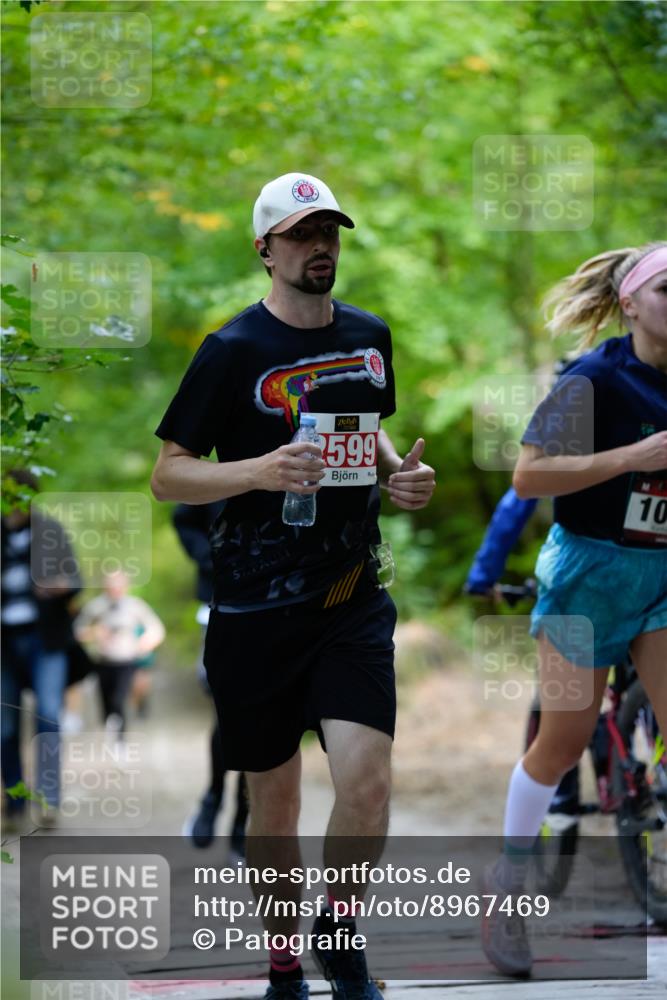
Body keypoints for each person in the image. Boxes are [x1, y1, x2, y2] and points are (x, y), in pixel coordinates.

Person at [151, 172, 436, 1000]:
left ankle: (338, 932)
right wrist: (259, 470)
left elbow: (368, 429)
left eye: (330, 232)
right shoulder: (231, 351)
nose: (321, 247)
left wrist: (399, 479)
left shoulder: (370, 336)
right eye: (302, 234)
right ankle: (283, 965)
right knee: (272, 805)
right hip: (251, 610)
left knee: (368, 782)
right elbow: (169, 477)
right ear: (264, 249)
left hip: (350, 598)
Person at [482, 242, 667, 977]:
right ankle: (507, 890)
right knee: (561, 742)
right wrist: (629, 457)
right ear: (630, 302)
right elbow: (527, 477)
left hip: (660, 576)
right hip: (585, 576)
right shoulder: (593, 378)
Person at [1, 468, 81, 827]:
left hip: (45, 637)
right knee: (4, 725)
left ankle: (48, 801)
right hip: (4, 641)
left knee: (48, 714)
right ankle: (14, 801)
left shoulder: (50, 531)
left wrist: (57, 586)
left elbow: (76, 580)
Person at [173, 500, 248, 856]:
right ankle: (213, 797)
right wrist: (209, 557)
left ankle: (242, 820)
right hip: (219, 602)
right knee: (228, 710)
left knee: (266, 720)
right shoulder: (214, 463)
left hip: (283, 604)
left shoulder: (293, 452)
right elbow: (182, 518)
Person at [74, 570, 165, 740]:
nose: (115, 588)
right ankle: (111, 730)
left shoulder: (135, 606)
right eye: (111, 585)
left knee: (119, 699)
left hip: (127, 660)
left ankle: (120, 739)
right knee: (106, 701)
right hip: (102, 661)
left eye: (119, 584)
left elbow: (156, 628)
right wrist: (95, 633)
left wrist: (146, 641)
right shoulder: (96, 607)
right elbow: (78, 630)